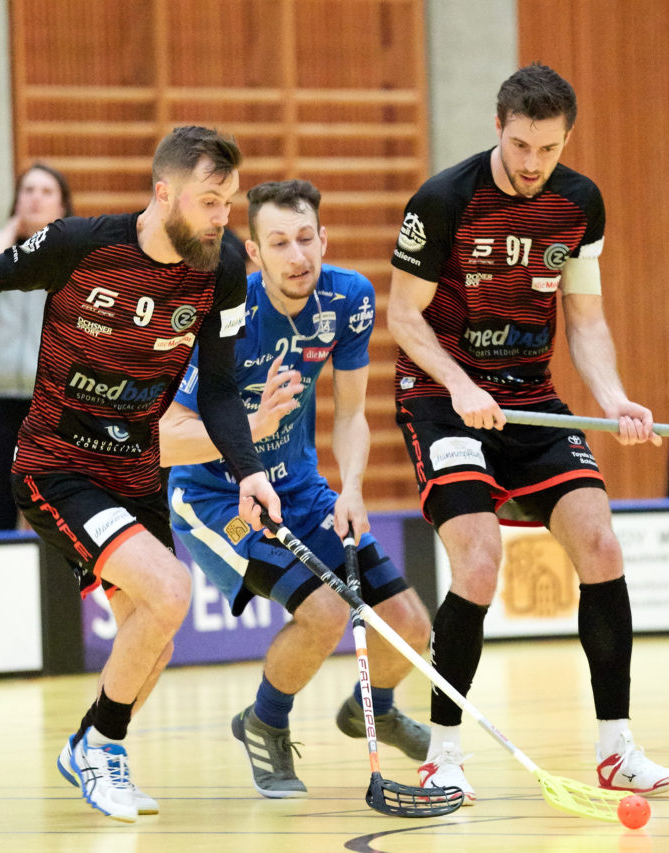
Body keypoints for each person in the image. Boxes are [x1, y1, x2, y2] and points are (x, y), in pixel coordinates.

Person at [0, 127, 283, 823]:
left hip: (135, 474)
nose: (222, 217)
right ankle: (104, 748)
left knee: (155, 639)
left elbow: (223, 388)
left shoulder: (222, 268)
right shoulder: (83, 244)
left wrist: (248, 471)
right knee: (172, 589)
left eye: (228, 201)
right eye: (209, 201)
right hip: (57, 464)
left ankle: (87, 740)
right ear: (164, 194)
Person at [387, 63, 669, 802]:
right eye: (520, 144)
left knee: (601, 542)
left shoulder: (581, 206)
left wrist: (615, 397)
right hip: (440, 396)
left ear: (566, 140)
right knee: (480, 562)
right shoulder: (444, 199)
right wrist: (458, 383)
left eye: (546, 149)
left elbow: (586, 321)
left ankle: (617, 747)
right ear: (498, 126)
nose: (530, 164)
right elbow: (402, 315)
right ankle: (444, 753)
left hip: (532, 395)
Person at [161, 179, 433, 798]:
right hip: (215, 500)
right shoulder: (226, 318)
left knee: (409, 624)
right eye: (279, 242)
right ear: (254, 254)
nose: (297, 255)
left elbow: (353, 414)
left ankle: (378, 709)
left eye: (306, 239)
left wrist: (354, 488)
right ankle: (265, 721)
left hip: (302, 489)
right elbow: (166, 436)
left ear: (324, 239)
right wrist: (251, 427)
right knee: (325, 611)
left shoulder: (348, 300)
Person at [0, 163, 73, 530]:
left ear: (62, 206)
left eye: (46, 192)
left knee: (47, 514)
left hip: (50, 404)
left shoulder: (74, 254)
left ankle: (50, 588)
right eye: (28, 190)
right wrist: (12, 230)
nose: (35, 198)